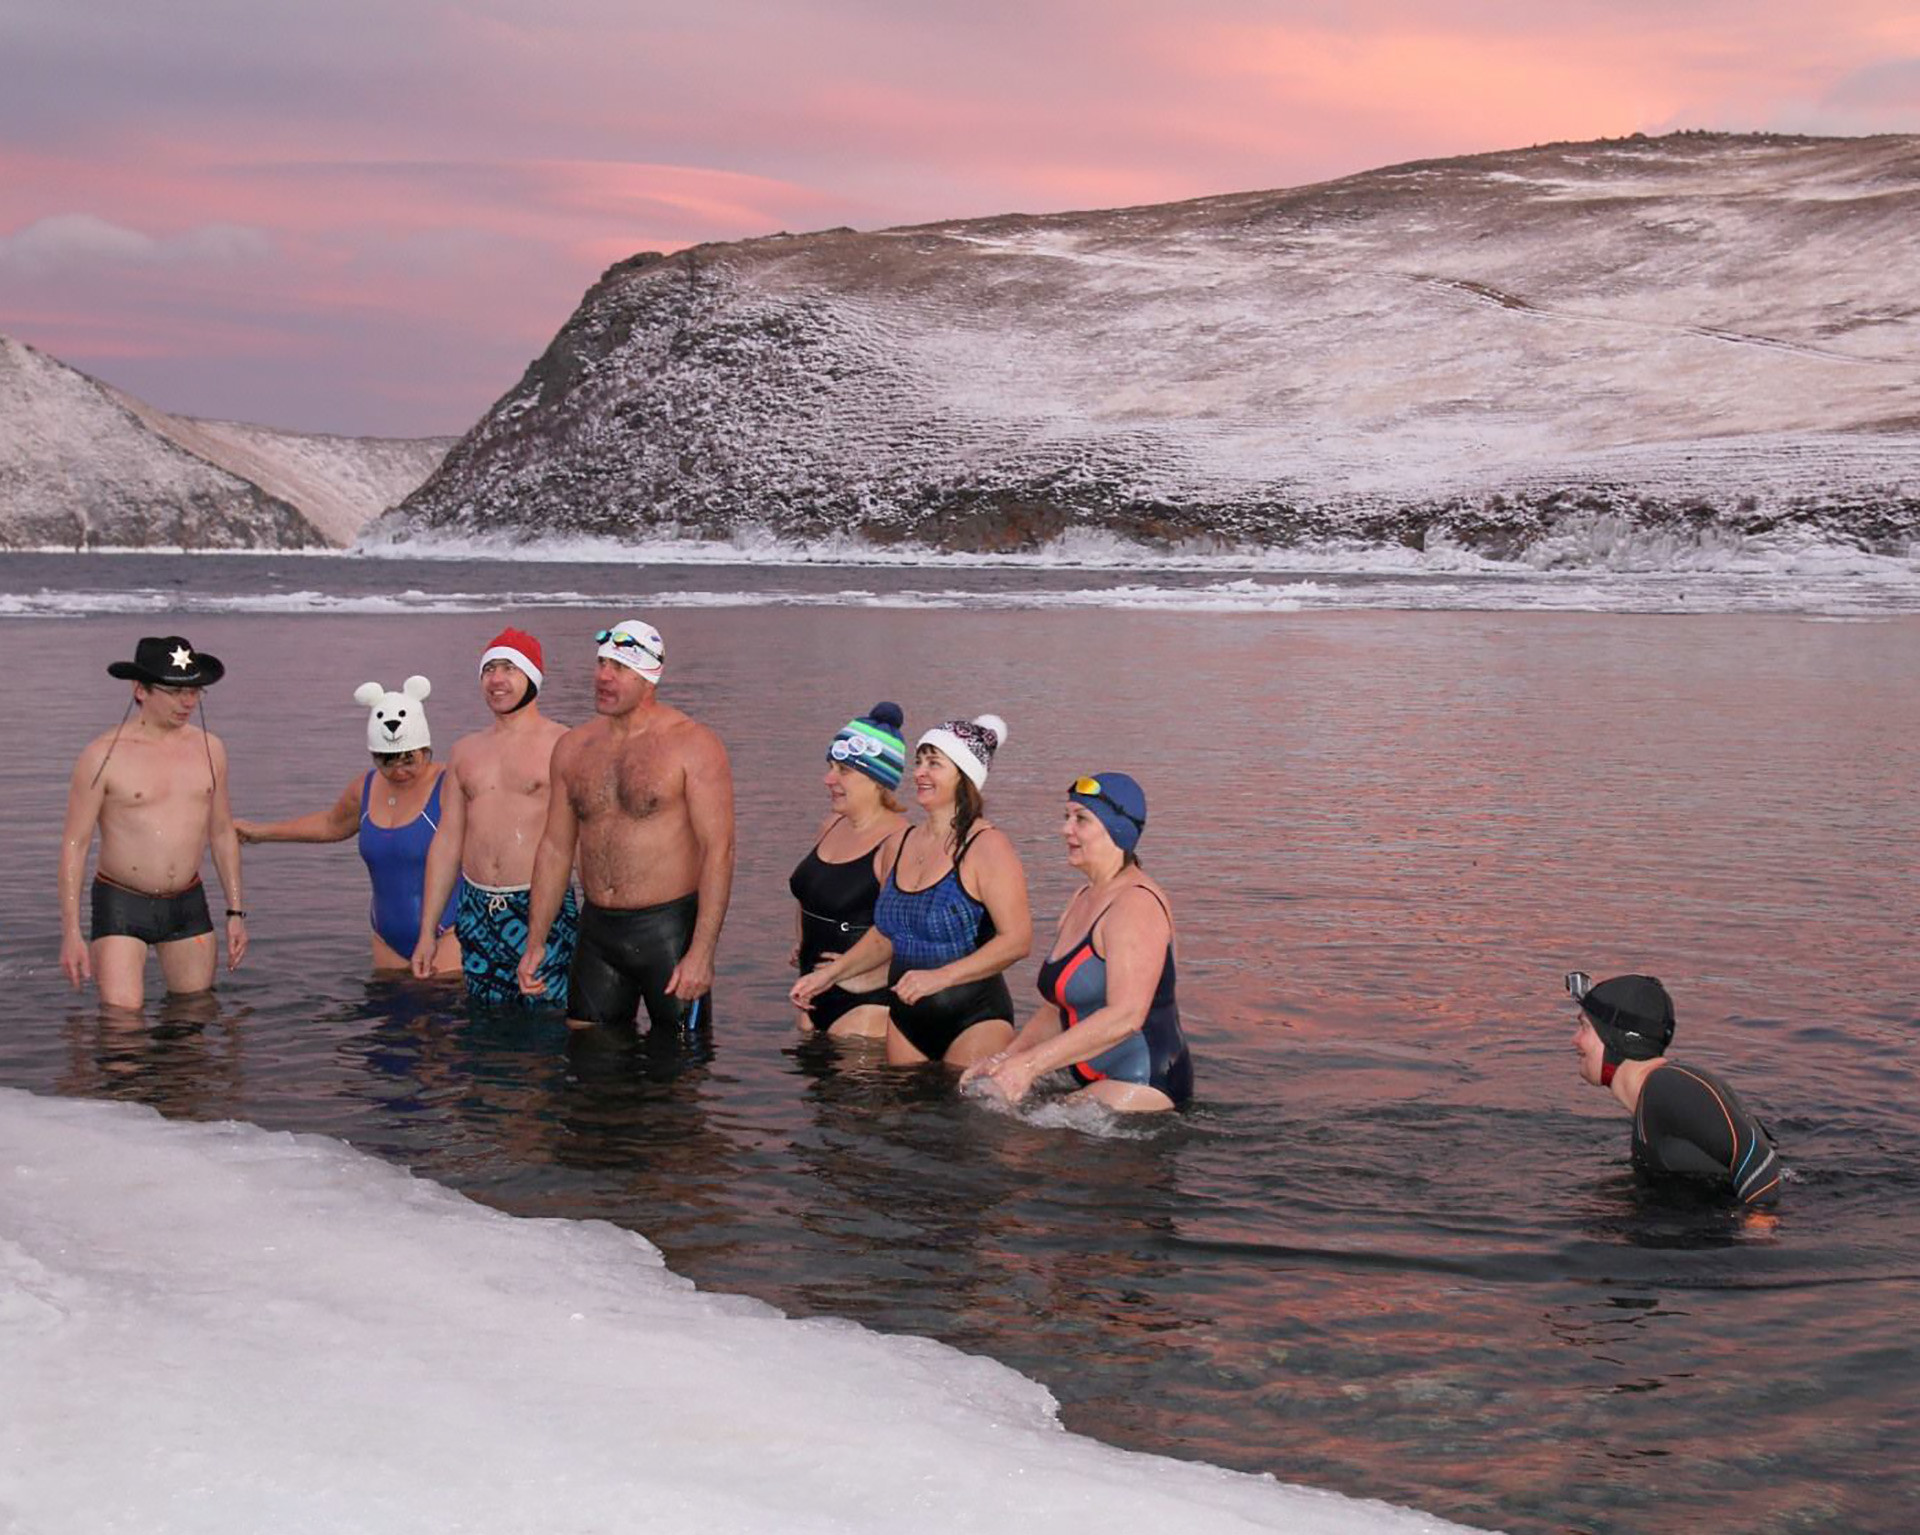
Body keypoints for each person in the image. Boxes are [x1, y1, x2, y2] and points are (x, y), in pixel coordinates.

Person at [517, 620, 735, 1035]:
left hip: (668, 932)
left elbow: (718, 851)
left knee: (678, 1074)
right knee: (588, 1069)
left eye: (619, 668)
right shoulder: (573, 748)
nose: (602, 676)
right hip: (598, 930)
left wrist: (702, 953)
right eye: (601, 663)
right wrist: (536, 941)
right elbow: (555, 849)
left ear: (649, 677)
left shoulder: (693, 744)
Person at [792, 714, 1030, 1069]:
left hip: (973, 1016)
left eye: (934, 764)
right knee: (902, 1122)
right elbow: (886, 934)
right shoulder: (901, 843)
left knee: (964, 1120)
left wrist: (940, 977)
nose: (919, 772)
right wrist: (829, 975)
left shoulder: (987, 846)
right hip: (907, 1019)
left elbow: (1018, 941)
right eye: (919, 761)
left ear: (964, 776)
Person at [965, 773, 1193, 1112]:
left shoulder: (1135, 905)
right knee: (986, 1104)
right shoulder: (1084, 897)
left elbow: (1127, 1015)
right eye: (1067, 817)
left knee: (1022, 1145)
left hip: (1144, 1083)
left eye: (1081, 819)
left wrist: (1030, 1066)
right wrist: (1007, 1059)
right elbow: (1060, 1006)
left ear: (1118, 830)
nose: (1066, 829)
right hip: (1096, 1079)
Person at [59, 636, 248, 1010]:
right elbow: (74, 844)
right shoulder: (102, 755)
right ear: (139, 689)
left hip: (187, 902)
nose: (188, 702)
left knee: (192, 1023)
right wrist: (71, 933)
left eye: (195, 691)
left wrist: (235, 911)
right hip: (121, 901)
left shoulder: (211, 748)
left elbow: (222, 832)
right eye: (176, 691)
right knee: (121, 1031)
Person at [236, 676, 462, 975]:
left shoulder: (451, 784)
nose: (398, 770)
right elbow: (331, 825)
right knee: (391, 1019)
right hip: (386, 939)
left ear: (425, 747)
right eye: (387, 761)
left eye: (408, 760)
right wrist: (259, 832)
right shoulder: (365, 788)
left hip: (449, 936)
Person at [410, 629, 576, 1005]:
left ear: (533, 677)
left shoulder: (564, 744)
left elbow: (585, 837)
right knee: (482, 1032)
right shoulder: (465, 751)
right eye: (489, 669)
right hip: (477, 910)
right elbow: (448, 842)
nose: (497, 679)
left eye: (510, 668)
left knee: (545, 1034)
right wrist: (427, 932)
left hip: (540, 907)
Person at [1567, 972, 1781, 1205]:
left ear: (1617, 1038)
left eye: (1584, 1026)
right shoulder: (1654, 1100)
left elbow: (1759, 1160)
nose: (1574, 1039)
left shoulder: (1666, 1085)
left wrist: (1756, 1232)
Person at [788, 702, 909, 1040]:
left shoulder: (899, 843)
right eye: (830, 767)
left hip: (865, 1004)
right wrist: (802, 938)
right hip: (812, 994)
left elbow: (898, 933)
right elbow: (809, 889)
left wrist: (837, 972)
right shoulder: (830, 825)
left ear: (876, 780)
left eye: (843, 771)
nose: (828, 779)